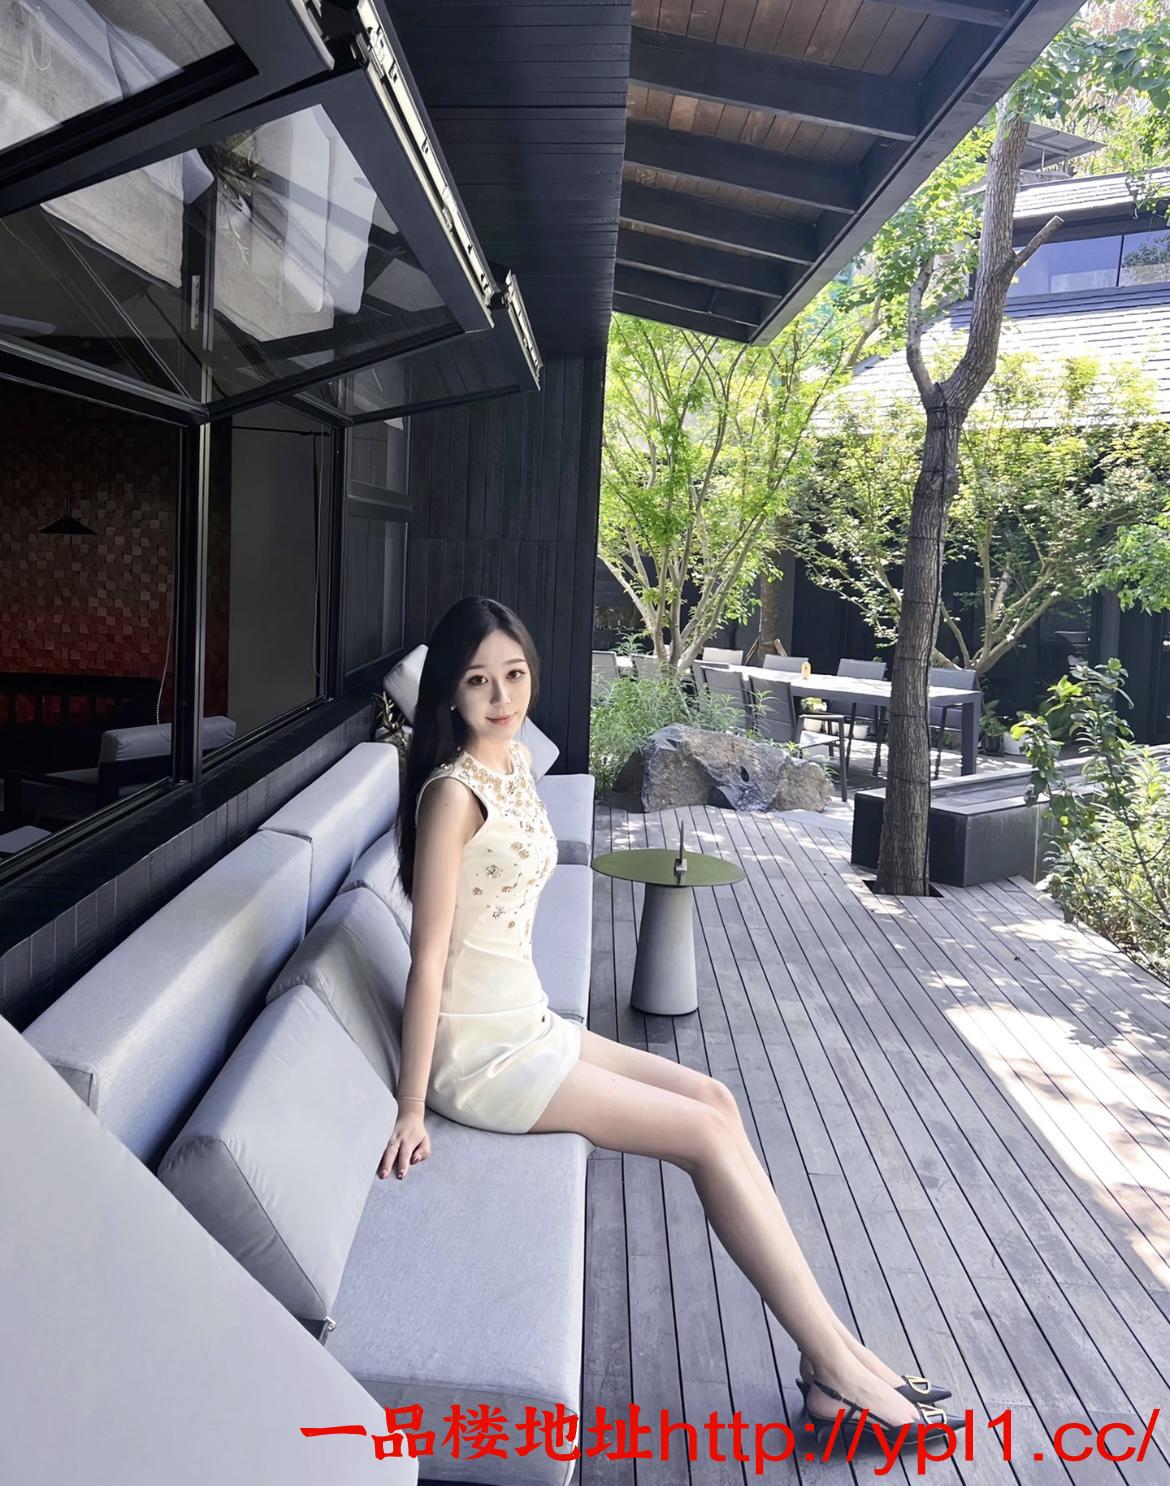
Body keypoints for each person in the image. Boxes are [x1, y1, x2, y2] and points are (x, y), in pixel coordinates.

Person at [379, 596, 962, 1452]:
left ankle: (838, 1353)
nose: (502, 697)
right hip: (483, 1055)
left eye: (515, 674)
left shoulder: (513, 761)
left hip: (527, 1022)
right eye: (478, 681)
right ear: (448, 693)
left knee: (716, 1099)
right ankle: (837, 1368)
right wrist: (410, 1107)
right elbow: (427, 959)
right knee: (702, 1135)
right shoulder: (453, 797)